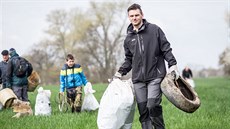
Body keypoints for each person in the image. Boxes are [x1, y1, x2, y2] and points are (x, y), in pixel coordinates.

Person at [114, 3, 179, 129]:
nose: (134, 18)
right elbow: (129, 59)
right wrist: (120, 72)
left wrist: (172, 64)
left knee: (152, 105)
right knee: (143, 111)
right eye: (131, 16)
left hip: (155, 75)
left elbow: (166, 48)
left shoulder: (155, 30)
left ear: (142, 15)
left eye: (137, 15)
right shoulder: (128, 38)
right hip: (138, 79)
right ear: (129, 17)